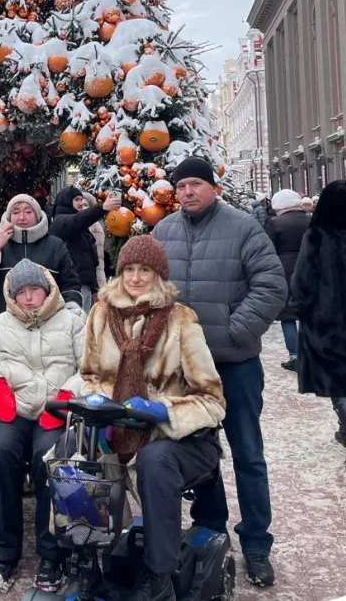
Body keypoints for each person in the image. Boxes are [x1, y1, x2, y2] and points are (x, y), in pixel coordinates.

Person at [66, 236, 227, 601]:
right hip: (115, 431)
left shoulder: (180, 319)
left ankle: (160, 577)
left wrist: (163, 411)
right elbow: (90, 374)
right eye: (128, 270)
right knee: (74, 460)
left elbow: (213, 401)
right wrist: (101, 409)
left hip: (177, 440)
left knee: (155, 461)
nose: (135, 278)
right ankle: (86, 565)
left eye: (144, 270)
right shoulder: (101, 313)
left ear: (158, 275)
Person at [150, 156, 286, 587]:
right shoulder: (164, 231)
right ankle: (209, 529)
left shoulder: (243, 227)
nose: (188, 192)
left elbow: (271, 285)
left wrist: (232, 330)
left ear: (213, 188)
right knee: (197, 452)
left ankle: (257, 544)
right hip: (184, 373)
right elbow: (145, 287)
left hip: (234, 364)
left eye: (196, 184)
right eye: (181, 185)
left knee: (247, 454)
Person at [0, 259, 86, 592]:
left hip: (56, 407)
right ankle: (3, 553)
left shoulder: (73, 322)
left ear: (47, 290)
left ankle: (52, 554)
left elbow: (91, 369)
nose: (30, 298)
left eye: (35, 290)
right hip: (13, 408)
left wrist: (67, 395)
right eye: (23, 292)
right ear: (12, 295)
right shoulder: (0, 325)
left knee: (51, 458)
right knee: (0, 452)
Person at [290, 180, 346, 470]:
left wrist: (298, 308)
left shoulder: (316, 237)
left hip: (325, 319)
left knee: (337, 378)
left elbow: (303, 278)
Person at [0, 194, 82, 322]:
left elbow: (71, 283)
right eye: (16, 212)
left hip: (48, 327)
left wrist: (72, 309)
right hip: (4, 328)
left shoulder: (55, 245)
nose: (22, 217)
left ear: (37, 216)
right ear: (9, 216)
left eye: (28, 212)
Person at [264, 188, 309, 371]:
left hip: (285, 270)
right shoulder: (313, 220)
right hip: (311, 268)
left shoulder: (274, 223)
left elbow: (267, 249)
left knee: (288, 316)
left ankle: (295, 355)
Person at [48, 186, 113, 293]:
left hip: (84, 285)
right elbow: (77, 220)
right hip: (73, 287)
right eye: (76, 199)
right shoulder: (60, 221)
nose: (81, 203)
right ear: (67, 201)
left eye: (81, 199)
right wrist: (102, 207)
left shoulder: (78, 225)